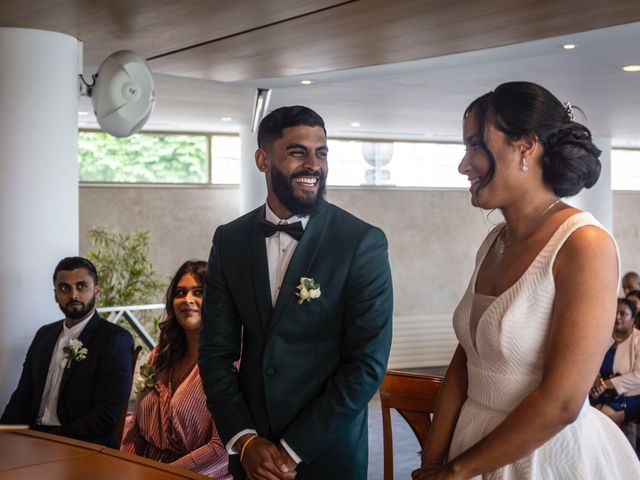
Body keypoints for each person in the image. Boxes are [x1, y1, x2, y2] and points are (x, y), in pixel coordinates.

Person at [412, 82, 640, 479]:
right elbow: (465, 362)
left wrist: (457, 471)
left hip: (543, 456)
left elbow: (564, 401)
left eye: (474, 146)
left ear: (525, 147)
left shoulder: (584, 244)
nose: (464, 165)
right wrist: (433, 463)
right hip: (469, 444)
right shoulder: (493, 243)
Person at [199, 105, 393, 479]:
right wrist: (245, 439)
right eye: (297, 152)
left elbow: (366, 364)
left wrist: (291, 450)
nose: (314, 164)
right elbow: (215, 353)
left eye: (321, 152)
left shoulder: (361, 242)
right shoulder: (229, 240)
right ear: (262, 159)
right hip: (252, 455)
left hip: (327, 452)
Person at [0, 256, 133, 448]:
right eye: (64, 288)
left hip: (83, 446)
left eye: (81, 286)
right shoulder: (44, 335)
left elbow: (107, 414)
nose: (73, 295)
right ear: (55, 295)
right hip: (34, 440)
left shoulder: (115, 339)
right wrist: (4, 433)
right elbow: (23, 396)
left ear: (96, 290)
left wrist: (50, 441)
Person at [121, 260, 230, 479]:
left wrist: (162, 475)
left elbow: (222, 449)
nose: (188, 299)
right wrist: (125, 466)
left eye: (199, 292)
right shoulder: (161, 354)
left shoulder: (232, 360)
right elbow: (136, 426)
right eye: (180, 292)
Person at [590, 298, 640, 425]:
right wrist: (595, 381)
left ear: (633, 319)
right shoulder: (605, 336)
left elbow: (638, 376)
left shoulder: (638, 340)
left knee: (603, 417)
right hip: (604, 392)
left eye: (623, 314)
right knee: (581, 410)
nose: (617, 317)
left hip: (631, 394)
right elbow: (592, 365)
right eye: (615, 312)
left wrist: (606, 384)